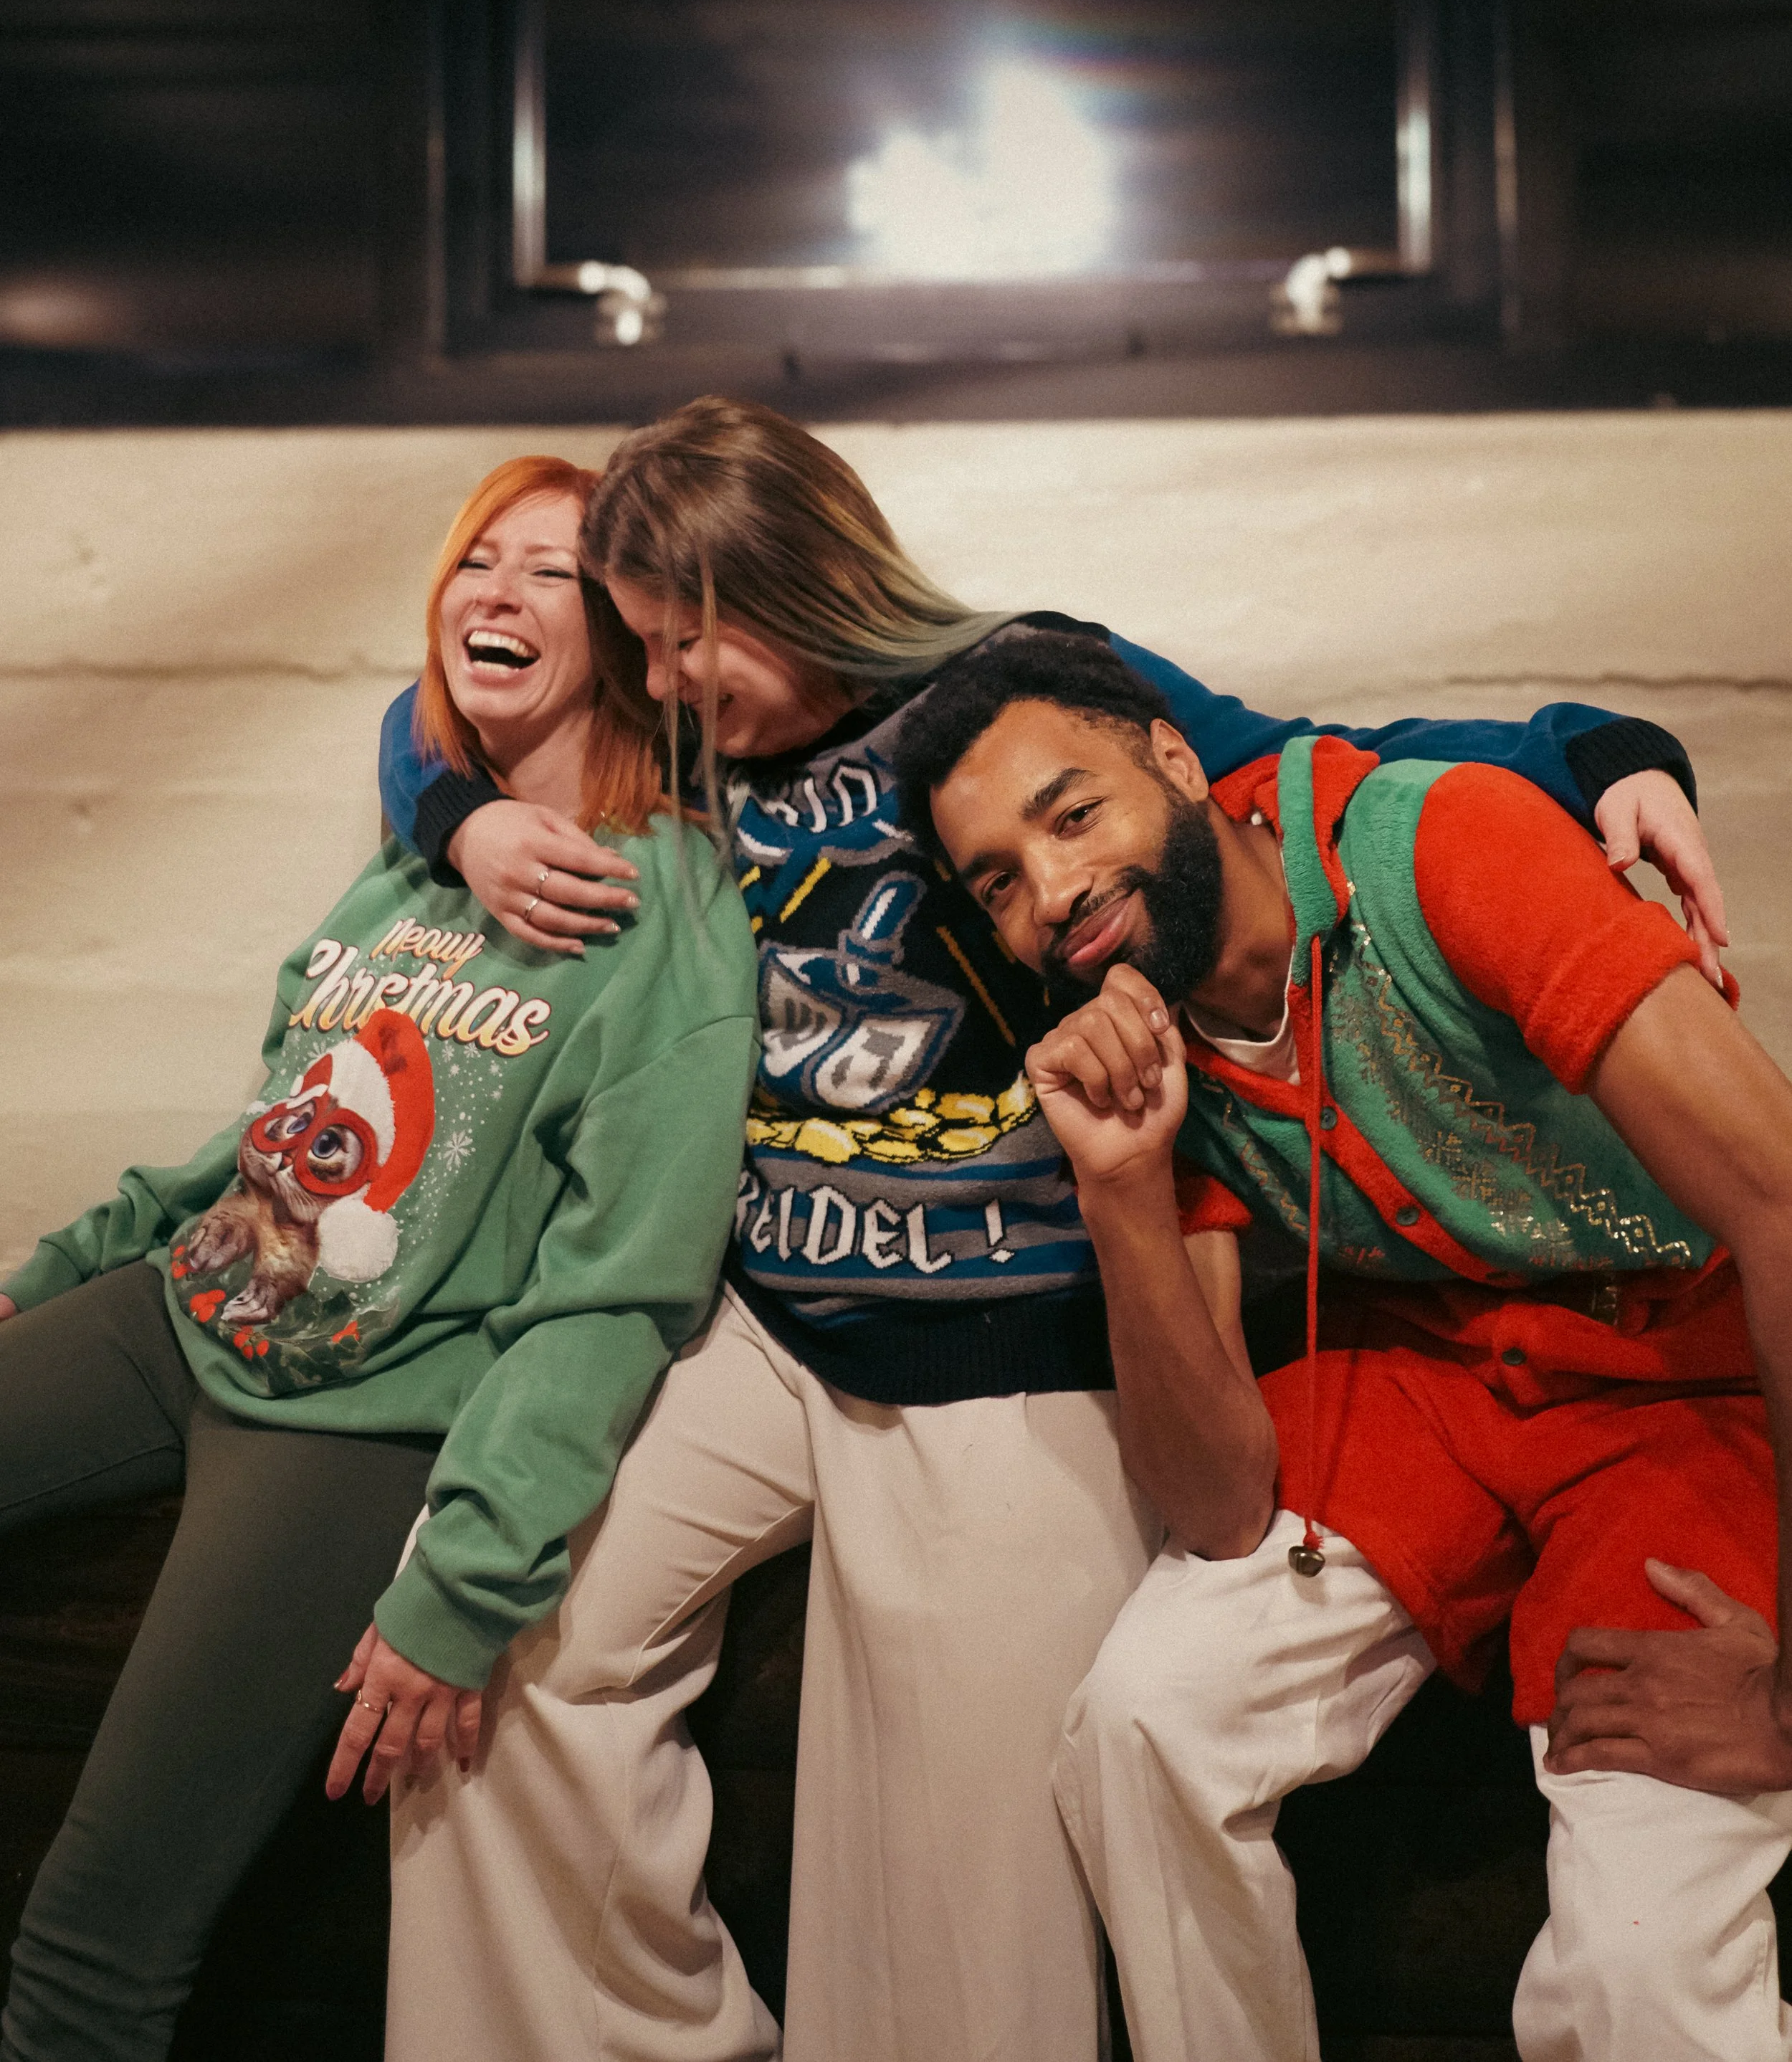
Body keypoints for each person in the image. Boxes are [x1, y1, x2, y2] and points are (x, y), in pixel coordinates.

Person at [370, 397, 1730, 2062]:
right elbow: (434, 715)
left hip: (1004, 1337)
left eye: (679, 641)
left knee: (961, 1891)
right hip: (768, 1316)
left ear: (787, 585)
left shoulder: (1010, 691)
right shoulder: (685, 740)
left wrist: (1604, 751)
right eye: (636, 646)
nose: (654, 681)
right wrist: (457, 820)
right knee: (502, 1641)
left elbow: (1306, 754)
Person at [895, 627, 1792, 2062]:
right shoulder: (1138, 1034)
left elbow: (1778, 1197)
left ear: (1176, 760)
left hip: (1676, 1375)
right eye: (998, 880)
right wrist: (1123, 1186)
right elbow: (1216, 1505)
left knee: (1640, 1964)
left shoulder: (1442, 844)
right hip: (1425, 1366)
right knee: (1140, 1726)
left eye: (1072, 816)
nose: (1052, 894)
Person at [0, 455, 758, 2062]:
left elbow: (619, 1289)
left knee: (93, 1936)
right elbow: (274, 1124)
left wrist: (469, 1579)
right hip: (181, 1310)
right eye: (478, 558)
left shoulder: (671, 915)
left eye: (548, 570)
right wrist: (57, 1268)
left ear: (623, 629)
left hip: (353, 1424)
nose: (497, 590)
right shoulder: (423, 857)